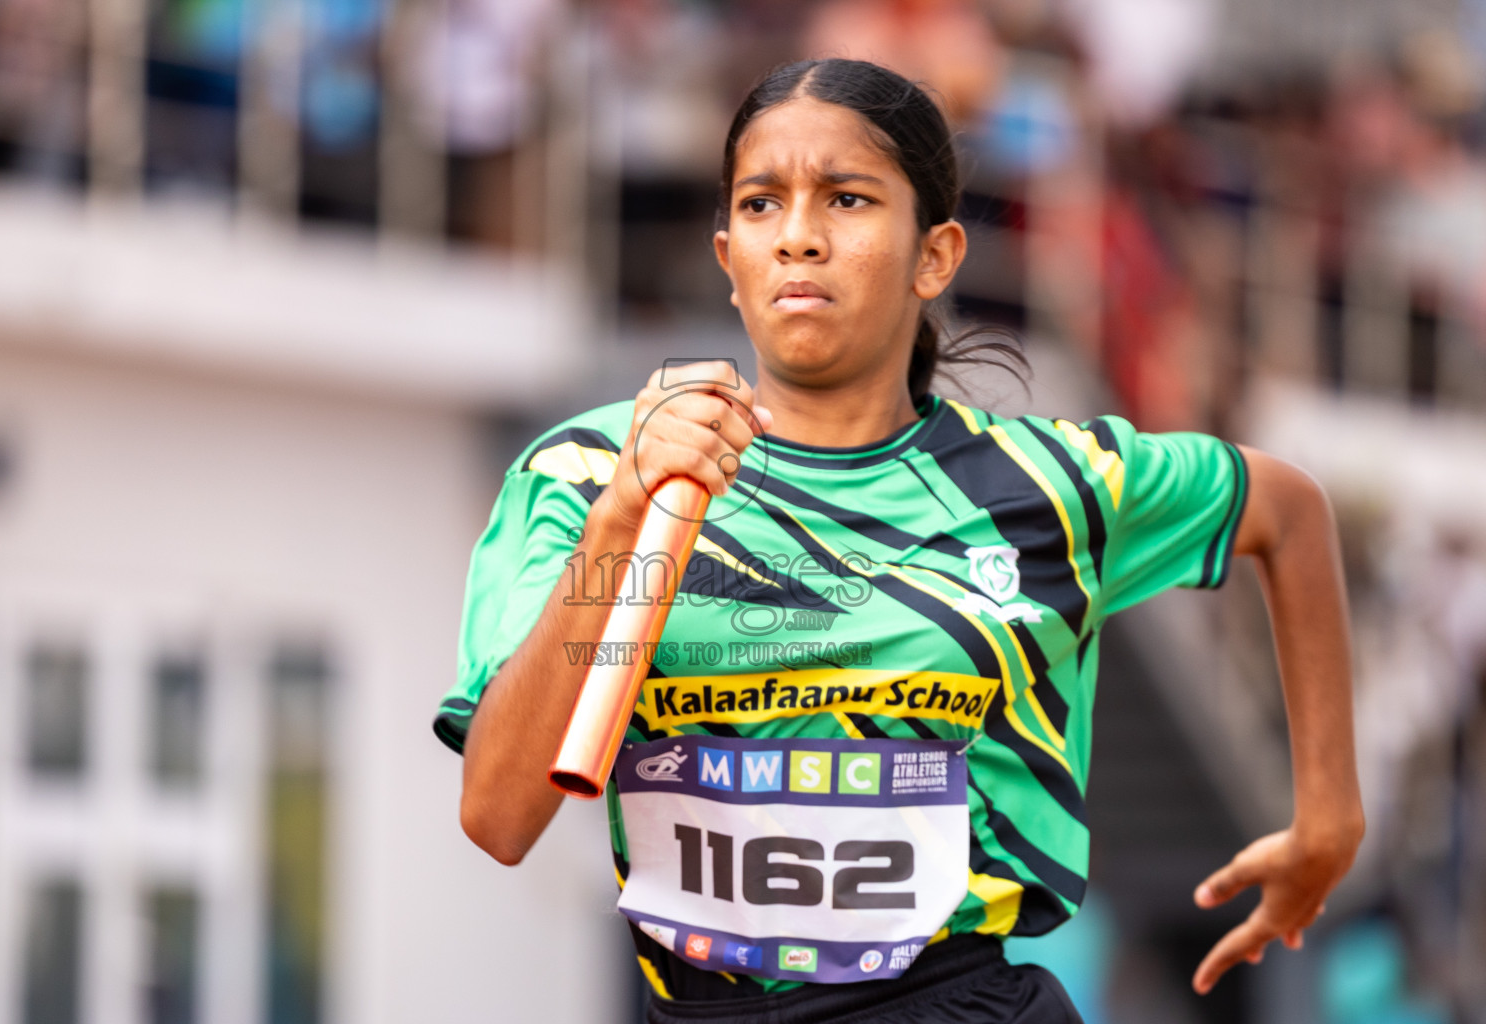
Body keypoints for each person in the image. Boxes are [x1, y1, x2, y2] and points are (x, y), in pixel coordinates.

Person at [433, 58, 1365, 1024]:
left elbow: (1287, 511)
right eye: (761, 204)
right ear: (726, 255)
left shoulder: (1053, 485)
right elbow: (499, 815)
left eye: (846, 199)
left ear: (936, 254)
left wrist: (1329, 813)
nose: (798, 237)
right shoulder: (588, 474)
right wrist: (624, 518)